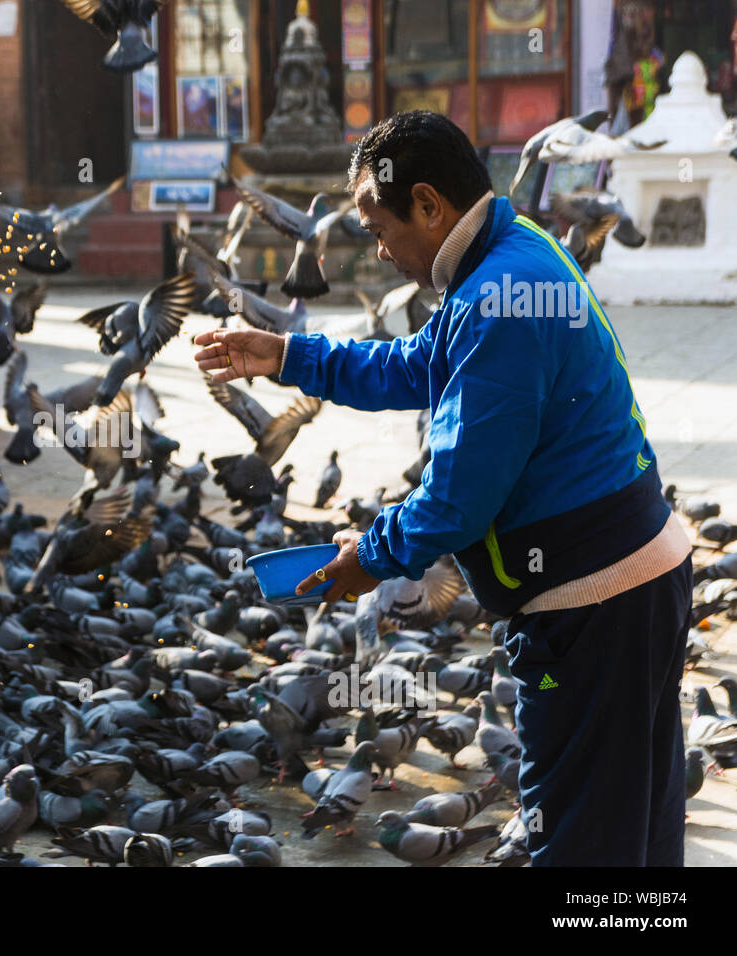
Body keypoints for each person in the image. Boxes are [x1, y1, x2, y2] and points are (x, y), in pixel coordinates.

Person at [193, 110, 692, 866]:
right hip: (636, 573)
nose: (380, 249)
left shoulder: (496, 299)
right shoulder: (514, 257)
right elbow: (415, 365)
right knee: (636, 830)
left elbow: (459, 500)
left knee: (581, 841)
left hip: (594, 602)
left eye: (379, 226)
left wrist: (367, 557)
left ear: (428, 204)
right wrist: (290, 355)